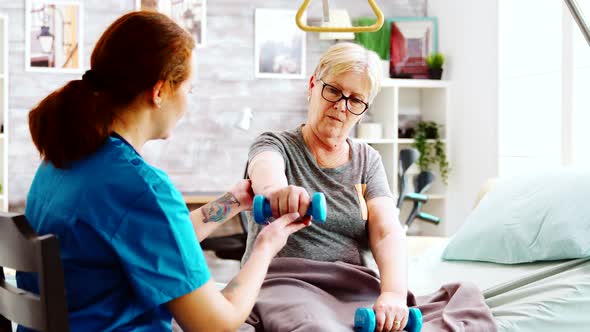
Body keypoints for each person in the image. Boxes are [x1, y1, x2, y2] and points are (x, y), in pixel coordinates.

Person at [17, 11, 307, 332]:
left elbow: (158, 243)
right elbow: (215, 323)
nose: (188, 102)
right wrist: (266, 245)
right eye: (189, 89)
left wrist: (232, 201)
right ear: (159, 92)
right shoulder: (139, 188)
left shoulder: (64, 160)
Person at [243, 42, 409, 332]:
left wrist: (393, 293)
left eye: (355, 100)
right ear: (312, 85)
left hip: (352, 288)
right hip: (285, 283)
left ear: (363, 109)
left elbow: (386, 231)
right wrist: (277, 193)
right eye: (333, 90)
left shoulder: (368, 160)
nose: (341, 106)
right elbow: (266, 174)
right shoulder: (275, 144)